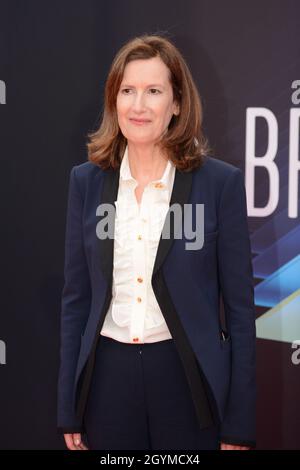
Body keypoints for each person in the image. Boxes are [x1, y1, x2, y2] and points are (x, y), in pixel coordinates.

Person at [57, 34, 256, 451]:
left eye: (153, 91)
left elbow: (239, 311)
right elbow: (76, 301)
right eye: (127, 91)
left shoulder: (218, 184)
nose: (138, 105)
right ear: (114, 101)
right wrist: (68, 405)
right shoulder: (86, 182)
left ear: (177, 103)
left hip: (187, 383)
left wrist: (239, 422)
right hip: (106, 383)